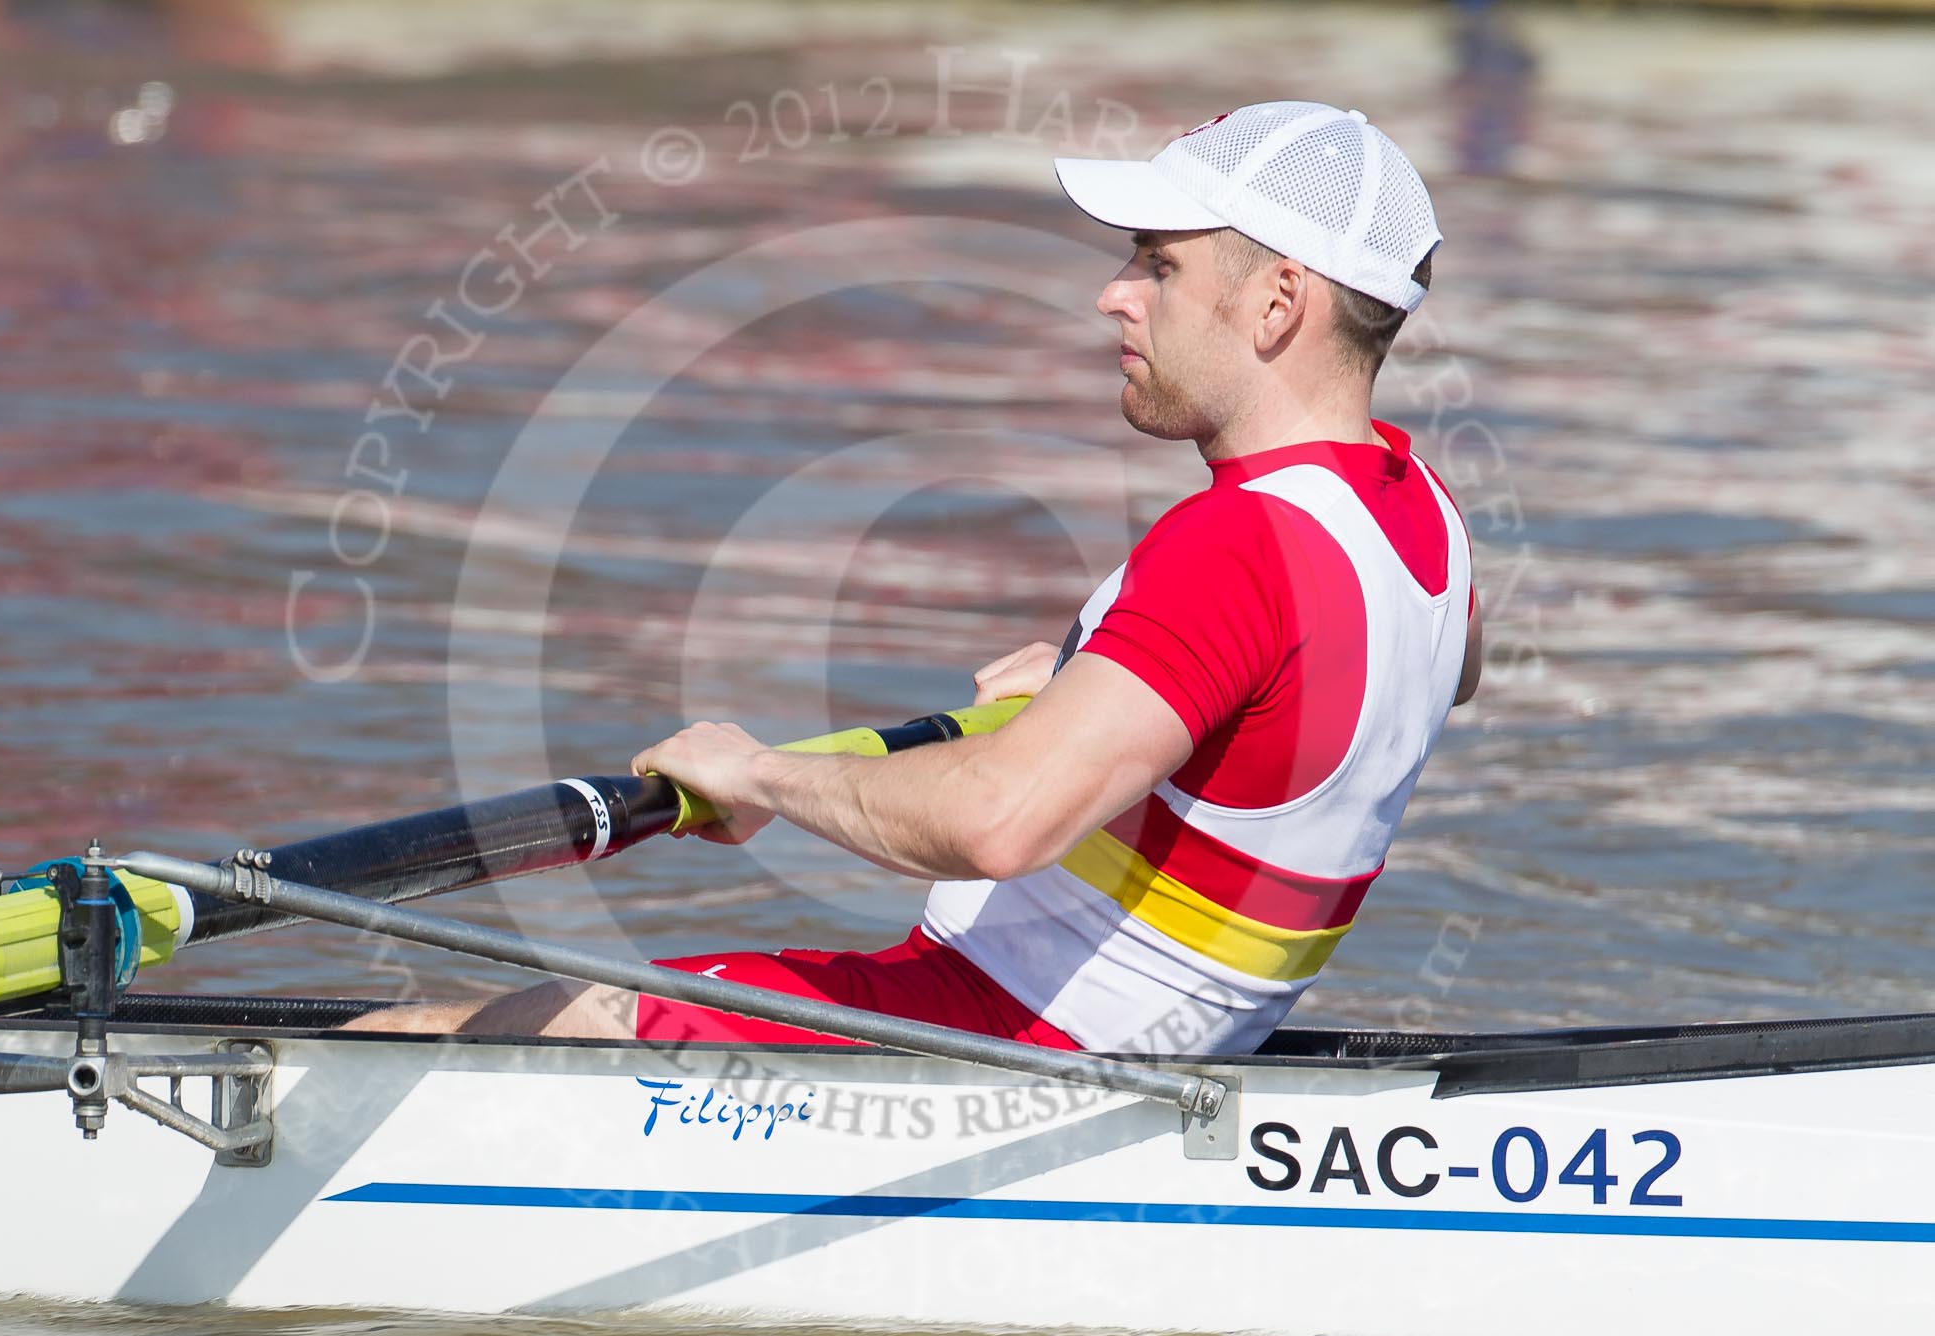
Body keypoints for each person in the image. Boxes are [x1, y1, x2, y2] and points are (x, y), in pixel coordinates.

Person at [348, 101, 1480, 1055]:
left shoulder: (1233, 547)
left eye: (1159, 261)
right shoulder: (1421, 520)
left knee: (531, 1026)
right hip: (1138, 1043)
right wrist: (1113, 689)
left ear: (1279, 302)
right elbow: (1400, 668)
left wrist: (759, 774)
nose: (1115, 294)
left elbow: (997, 820)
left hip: (998, 1046)